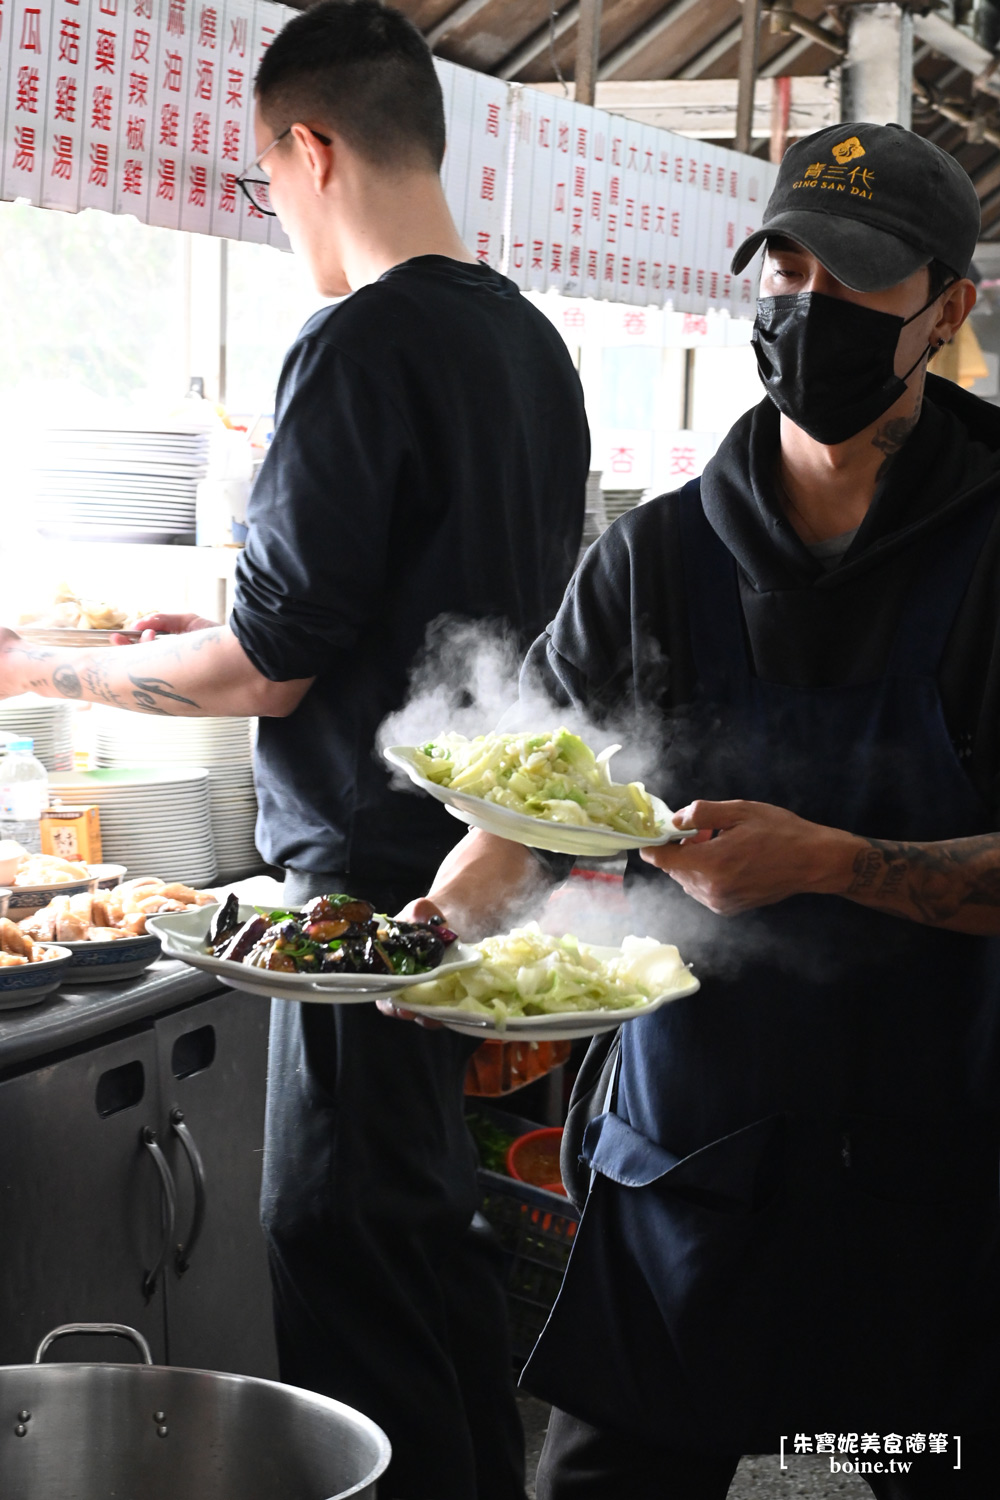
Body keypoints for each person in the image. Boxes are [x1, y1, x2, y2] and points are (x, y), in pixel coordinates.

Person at [0, 4, 588, 1495]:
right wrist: (193, 626)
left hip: (361, 918)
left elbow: (269, 673)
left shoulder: (355, 341)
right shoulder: (529, 345)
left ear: (310, 150)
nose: (277, 216)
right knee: (429, 1245)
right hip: (472, 877)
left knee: (342, 1251)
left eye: (267, 182)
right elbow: (404, 606)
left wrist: (45, 665)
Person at [394, 122, 1000, 1497]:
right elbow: (531, 805)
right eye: (785, 269)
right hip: (689, 1169)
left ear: (948, 307)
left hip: (938, 1188)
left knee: (916, 1462)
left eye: (855, 279)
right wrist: (434, 937)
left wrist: (834, 862)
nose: (808, 309)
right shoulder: (655, 555)